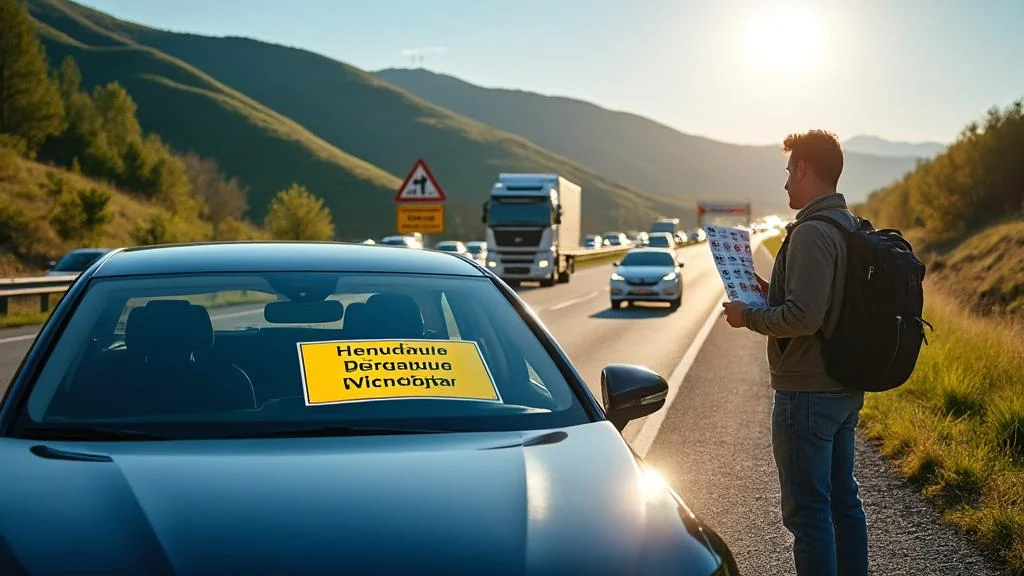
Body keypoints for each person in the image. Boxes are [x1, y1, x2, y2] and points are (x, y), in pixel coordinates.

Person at [721, 129, 868, 576]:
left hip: (807, 392)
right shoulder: (848, 226)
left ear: (804, 168)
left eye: (788, 171)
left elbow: (804, 318)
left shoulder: (810, 233)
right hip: (844, 385)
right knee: (844, 501)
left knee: (808, 514)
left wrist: (749, 316)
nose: (785, 182)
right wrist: (770, 292)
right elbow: (823, 301)